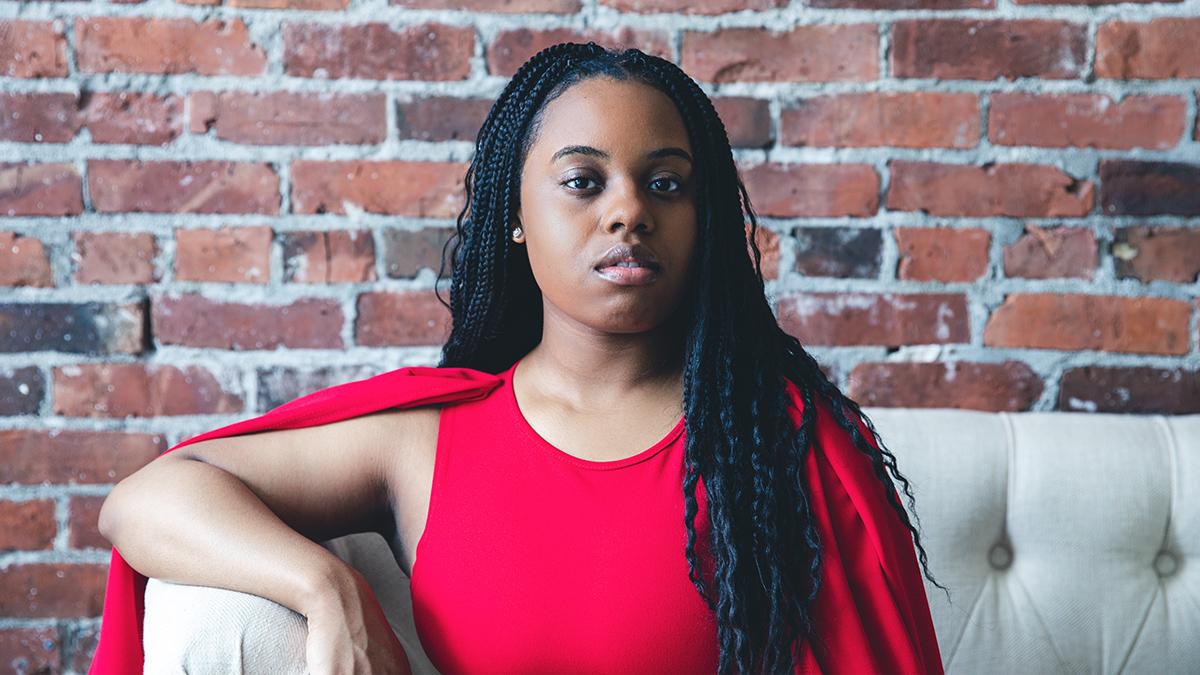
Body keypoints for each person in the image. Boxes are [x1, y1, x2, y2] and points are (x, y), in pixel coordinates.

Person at [90, 42, 948, 675]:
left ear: (704, 221)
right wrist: (325, 589)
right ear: (516, 214)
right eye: (583, 181)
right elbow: (149, 497)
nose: (628, 212)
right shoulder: (426, 442)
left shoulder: (786, 447)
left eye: (667, 183)